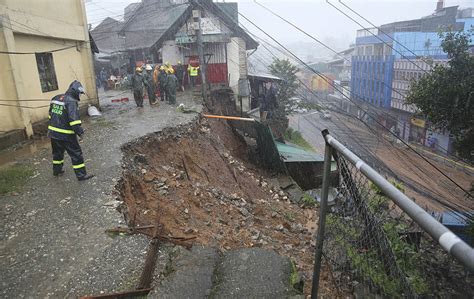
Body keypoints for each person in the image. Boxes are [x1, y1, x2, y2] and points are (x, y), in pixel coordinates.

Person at [48, 80, 94, 181]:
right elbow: (74, 121)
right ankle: (81, 175)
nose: (80, 96)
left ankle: (57, 170)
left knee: (57, 153)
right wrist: (80, 132)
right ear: (75, 92)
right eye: (79, 93)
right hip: (66, 135)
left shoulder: (55, 98)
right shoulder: (72, 102)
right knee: (76, 154)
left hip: (53, 133)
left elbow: (50, 115)